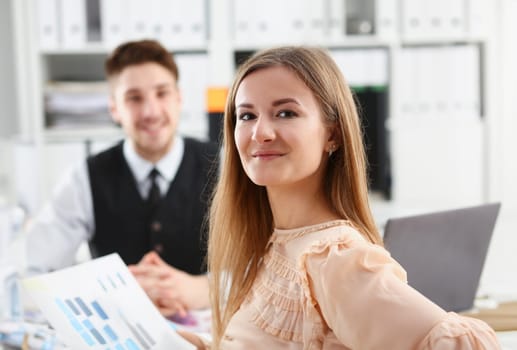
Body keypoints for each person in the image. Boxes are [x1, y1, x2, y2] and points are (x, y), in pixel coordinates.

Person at [180, 46, 500, 349]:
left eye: (286, 113)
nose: (259, 133)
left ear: (331, 134)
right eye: (247, 116)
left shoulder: (334, 258)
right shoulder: (274, 242)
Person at [25, 39, 218, 318]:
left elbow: (266, 271)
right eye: (134, 98)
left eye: (161, 93)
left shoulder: (224, 167)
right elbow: (35, 271)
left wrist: (204, 288)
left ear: (179, 98)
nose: (151, 112)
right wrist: (108, 290)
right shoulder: (84, 178)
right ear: (114, 108)